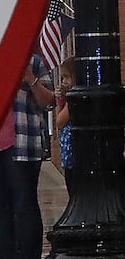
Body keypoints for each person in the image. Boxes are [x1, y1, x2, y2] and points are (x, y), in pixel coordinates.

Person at [0, 55, 54, 259]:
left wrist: (30, 79)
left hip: (24, 142)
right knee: (1, 207)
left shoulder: (33, 62)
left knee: (24, 202)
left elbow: (49, 101)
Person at [55, 58, 75, 195]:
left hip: (76, 155)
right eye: (62, 78)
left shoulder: (74, 99)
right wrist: (60, 100)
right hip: (68, 156)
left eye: (66, 77)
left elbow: (60, 121)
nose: (64, 82)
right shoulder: (68, 98)